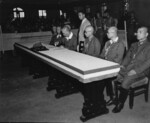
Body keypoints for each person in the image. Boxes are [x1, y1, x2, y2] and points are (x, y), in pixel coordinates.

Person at [112, 26, 150, 113]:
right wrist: (122, 65)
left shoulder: (149, 46)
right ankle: (114, 98)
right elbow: (127, 57)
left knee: (126, 81)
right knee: (113, 75)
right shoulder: (134, 44)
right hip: (129, 67)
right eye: (137, 32)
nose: (137, 34)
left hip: (142, 71)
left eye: (140, 32)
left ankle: (120, 104)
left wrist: (136, 71)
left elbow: (148, 62)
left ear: (146, 34)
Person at [100, 26, 125, 106]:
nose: (106, 34)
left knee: (110, 78)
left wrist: (106, 65)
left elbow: (118, 60)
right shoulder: (107, 43)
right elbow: (102, 55)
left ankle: (114, 98)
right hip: (106, 66)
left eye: (108, 32)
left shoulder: (120, 44)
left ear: (114, 33)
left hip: (115, 67)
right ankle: (98, 97)